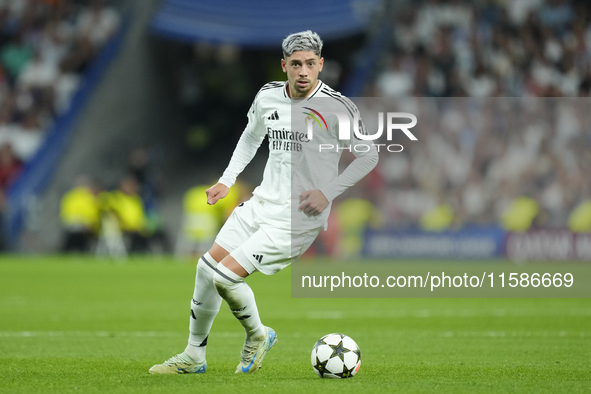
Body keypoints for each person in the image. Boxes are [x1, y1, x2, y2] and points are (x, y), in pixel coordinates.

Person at [149, 31, 379, 375]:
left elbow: (369, 155)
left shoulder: (336, 107)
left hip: (299, 217)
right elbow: (251, 136)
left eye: (311, 64)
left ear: (321, 66)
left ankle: (258, 335)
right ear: (284, 65)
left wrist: (327, 192)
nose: (303, 71)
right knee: (204, 269)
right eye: (297, 64)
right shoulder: (268, 96)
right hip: (261, 202)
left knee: (225, 278)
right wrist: (227, 180)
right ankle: (194, 356)